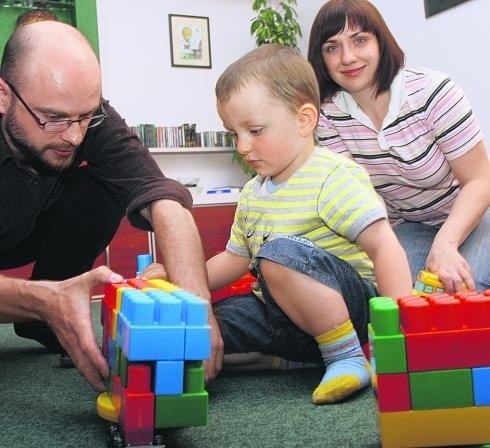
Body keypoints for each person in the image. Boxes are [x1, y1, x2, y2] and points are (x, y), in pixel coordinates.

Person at [145, 44, 413, 404]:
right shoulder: (252, 193)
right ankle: (293, 359)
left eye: (255, 131)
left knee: (276, 253)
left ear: (304, 120)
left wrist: (398, 333)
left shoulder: (333, 176)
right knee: (208, 329)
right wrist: (180, 280)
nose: (242, 145)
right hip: (283, 314)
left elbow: (384, 245)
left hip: (351, 307)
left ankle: (347, 355)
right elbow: (233, 259)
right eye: (233, 134)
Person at [0, 21, 218, 391]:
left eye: (85, 116)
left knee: (103, 188)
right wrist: (39, 299)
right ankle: (47, 304)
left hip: (29, 230)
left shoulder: (89, 118)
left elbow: (161, 195)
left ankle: (44, 312)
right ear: (3, 95)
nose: (74, 135)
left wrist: (199, 310)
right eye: (52, 118)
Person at [307, 0, 490, 294]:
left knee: (462, 291)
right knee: (398, 299)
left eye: (359, 40)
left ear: (381, 41)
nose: (348, 57)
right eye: (332, 47)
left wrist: (446, 243)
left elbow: (480, 181)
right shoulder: (328, 116)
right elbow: (361, 196)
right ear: (321, 58)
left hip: (476, 213)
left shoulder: (433, 92)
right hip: (410, 223)